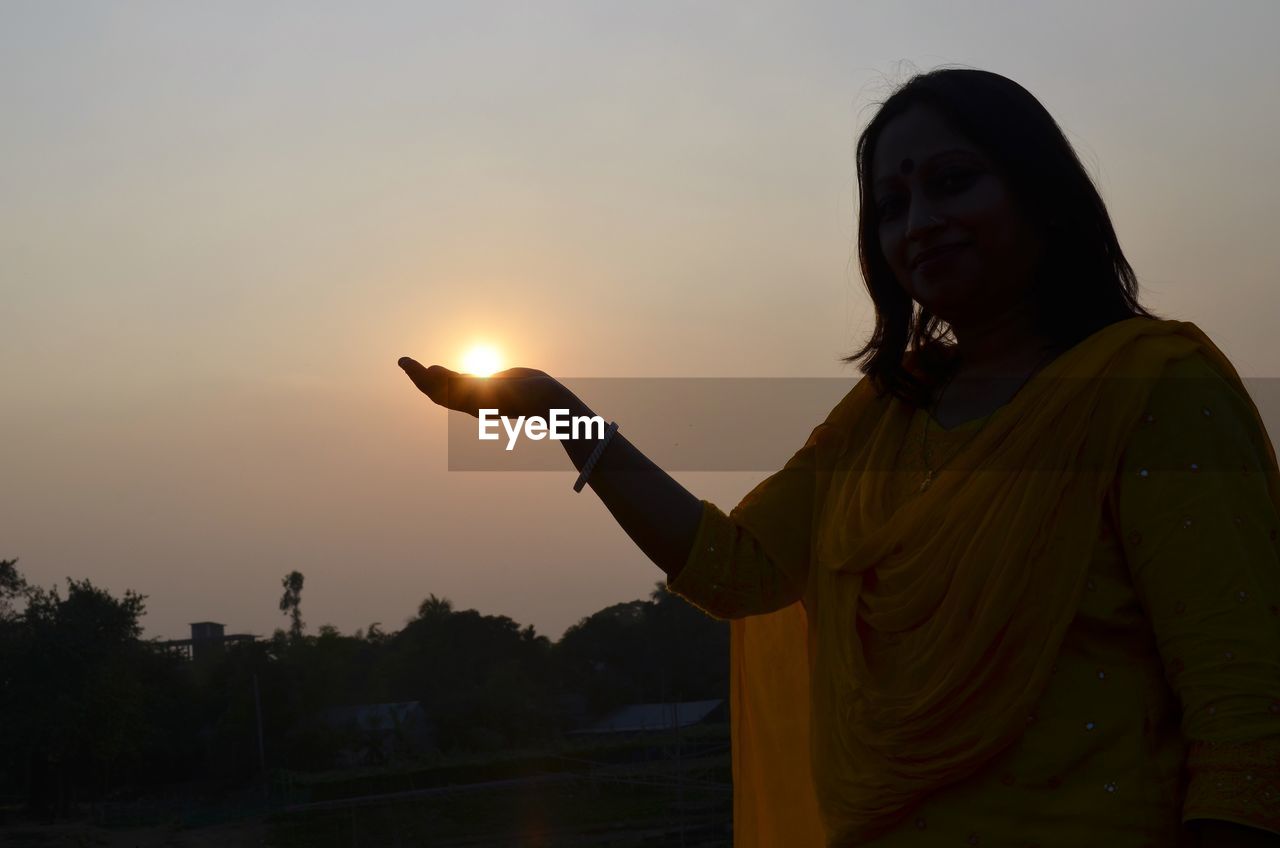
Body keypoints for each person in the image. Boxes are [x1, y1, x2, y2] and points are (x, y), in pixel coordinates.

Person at [397, 68, 1280, 846]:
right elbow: (735, 572)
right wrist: (558, 412)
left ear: (1041, 192)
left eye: (952, 182)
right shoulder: (883, 416)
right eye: (891, 206)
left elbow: (1244, 705)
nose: (920, 222)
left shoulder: (1155, 383)